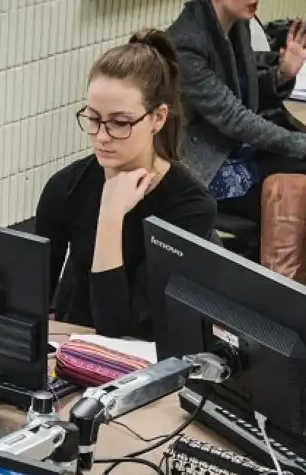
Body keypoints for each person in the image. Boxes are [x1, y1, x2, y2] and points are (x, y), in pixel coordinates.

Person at [169, 0, 306, 281]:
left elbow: (241, 96)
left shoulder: (236, 25)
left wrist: (282, 73)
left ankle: (286, 270)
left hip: (235, 149)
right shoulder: (186, 43)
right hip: (207, 167)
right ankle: (278, 287)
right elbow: (234, 118)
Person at [35, 29, 216, 341]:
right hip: (72, 345)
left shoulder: (190, 208)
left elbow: (116, 326)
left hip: (143, 359)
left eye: (120, 123)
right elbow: (31, 304)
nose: (102, 136)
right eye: (93, 118)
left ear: (158, 118)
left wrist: (110, 216)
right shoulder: (64, 187)